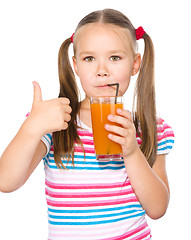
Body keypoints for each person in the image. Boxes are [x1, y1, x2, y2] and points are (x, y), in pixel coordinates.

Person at [0, 8, 174, 240]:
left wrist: (132, 152)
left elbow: (157, 209)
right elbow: (6, 182)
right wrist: (32, 127)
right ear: (76, 66)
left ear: (135, 64)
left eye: (115, 57)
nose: (102, 71)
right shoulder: (56, 122)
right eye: (89, 58)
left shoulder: (150, 127)